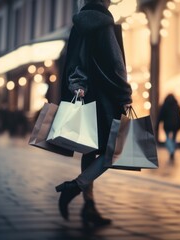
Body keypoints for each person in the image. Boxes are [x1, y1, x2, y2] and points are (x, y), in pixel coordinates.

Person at [55, 0, 132, 228]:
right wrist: (125, 95)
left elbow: (74, 61)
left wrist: (77, 84)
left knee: (90, 152)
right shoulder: (105, 22)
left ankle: (89, 206)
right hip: (107, 100)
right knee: (112, 152)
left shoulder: (78, 24)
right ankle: (75, 187)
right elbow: (116, 65)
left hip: (87, 98)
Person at [157, 94, 180, 160]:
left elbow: (160, 116)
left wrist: (157, 124)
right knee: (173, 139)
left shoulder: (165, 106)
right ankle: (173, 149)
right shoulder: (177, 106)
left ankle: (171, 150)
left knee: (168, 138)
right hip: (175, 125)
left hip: (167, 125)